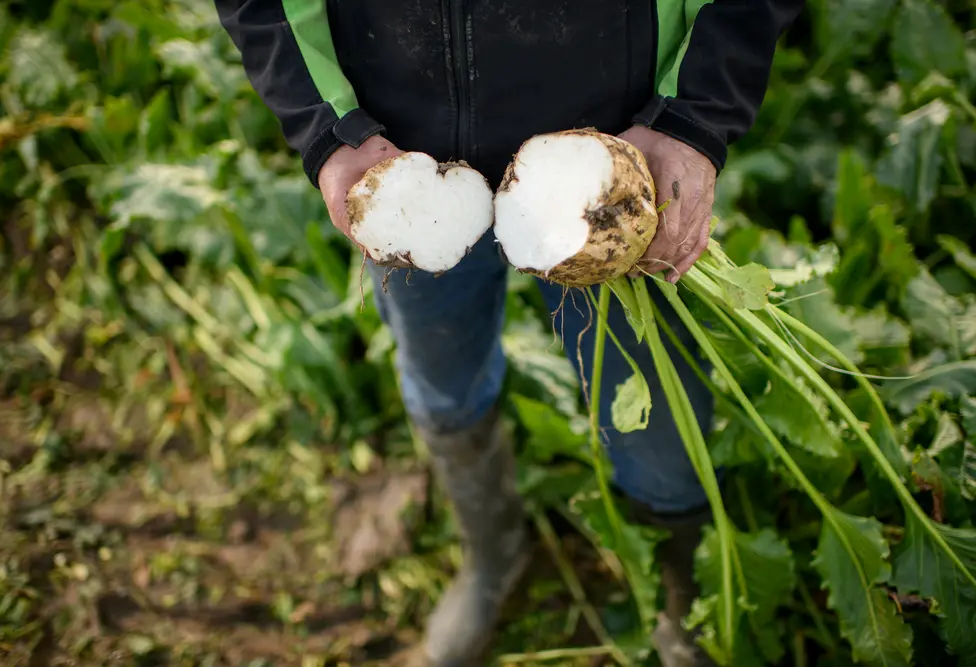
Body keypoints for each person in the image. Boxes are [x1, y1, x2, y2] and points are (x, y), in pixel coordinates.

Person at [214, 2, 804, 665]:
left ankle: (682, 595)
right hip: (403, 159)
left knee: (654, 408)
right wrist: (327, 127)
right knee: (441, 374)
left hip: (613, 163)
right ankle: (493, 556)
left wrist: (694, 111)